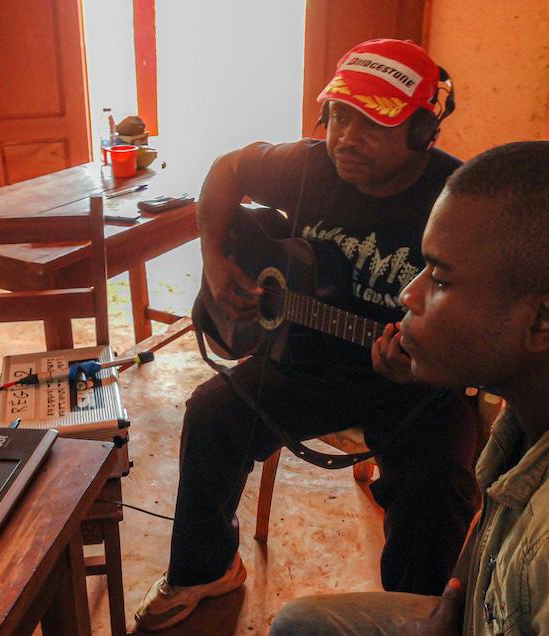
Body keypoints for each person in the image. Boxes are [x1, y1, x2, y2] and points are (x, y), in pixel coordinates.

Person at [133, 38, 481, 632]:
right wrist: (216, 262)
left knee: (436, 486)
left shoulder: (461, 199)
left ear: (423, 132)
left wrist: (434, 362)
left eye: (372, 124)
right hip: (307, 357)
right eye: (339, 116)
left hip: (414, 378)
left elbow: (484, 311)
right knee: (214, 411)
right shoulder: (307, 164)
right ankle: (205, 569)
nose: (345, 138)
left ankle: (410, 618)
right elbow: (227, 169)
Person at [270, 140, 549, 635]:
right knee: (300, 622)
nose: (410, 293)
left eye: (441, 280)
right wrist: (458, 595)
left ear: (544, 320)